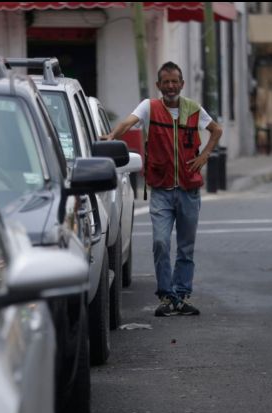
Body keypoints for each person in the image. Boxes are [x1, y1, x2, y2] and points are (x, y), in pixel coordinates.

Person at [102, 61, 223, 317]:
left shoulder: (193, 108)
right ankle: (167, 296)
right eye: (166, 82)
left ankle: (181, 295)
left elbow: (216, 130)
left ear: (182, 84)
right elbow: (129, 122)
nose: (170, 86)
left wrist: (205, 155)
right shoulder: (150, 107)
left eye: (174, 81)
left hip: (189, 190)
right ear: (159, 85)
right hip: (161, 190)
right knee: (160, 242)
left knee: (186, 248)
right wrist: (113, 135)